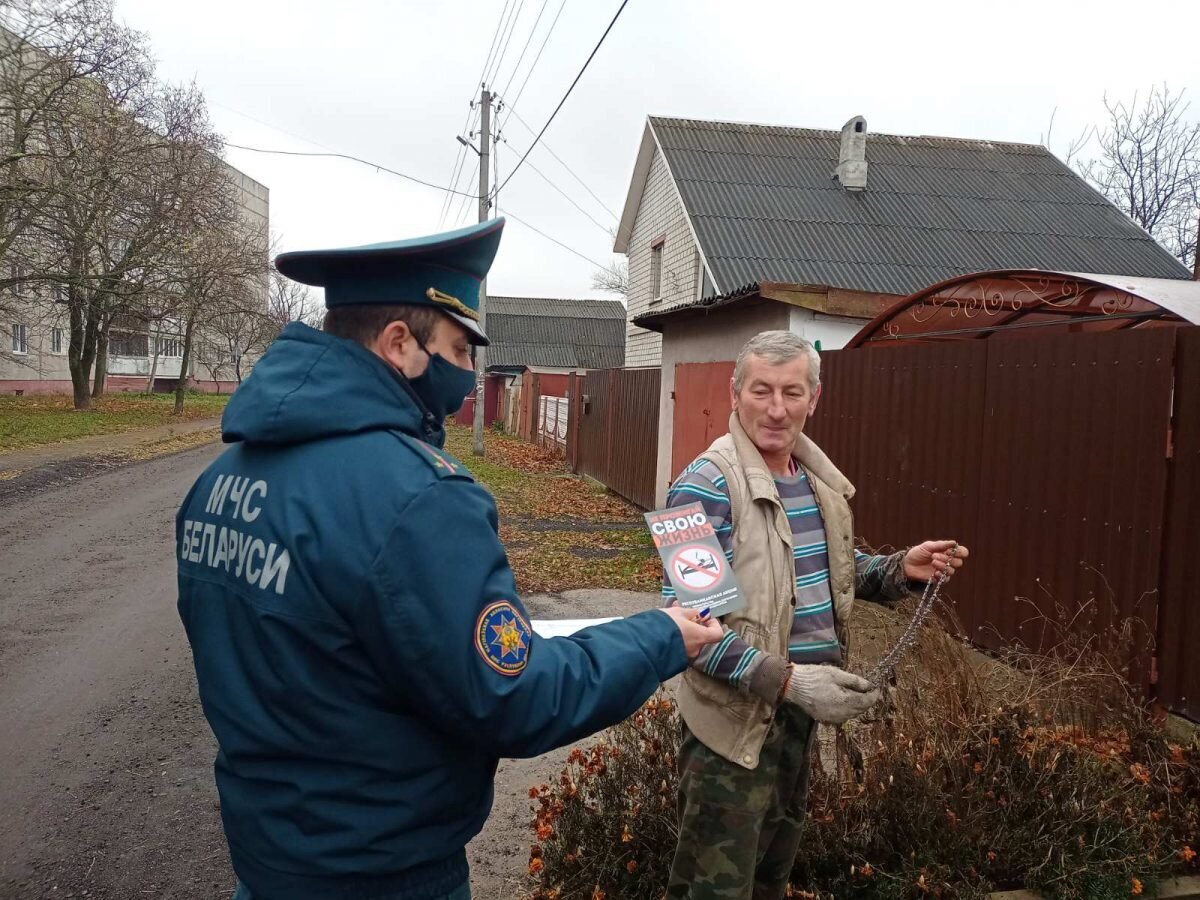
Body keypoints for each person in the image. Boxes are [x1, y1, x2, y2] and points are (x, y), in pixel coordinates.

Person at [175, 218, 722, 900]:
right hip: (381, 872)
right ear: (400, 344)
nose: (470, 373)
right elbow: (512, 696)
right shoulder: (416, 497)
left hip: (268, 858)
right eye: (461, 349)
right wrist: (660, 635)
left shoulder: (219, 481)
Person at [663, 330, 969, 900]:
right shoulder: (700, 488)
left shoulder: (815, 482)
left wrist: (903, 569)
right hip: (731, 735)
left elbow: (828, 568)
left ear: (814, 398)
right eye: (761, 391)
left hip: (797, 725)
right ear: (736, 394)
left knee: (770, 882)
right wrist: (793, 682)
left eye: (792, 392)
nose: (776, 409)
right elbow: (690, 629)